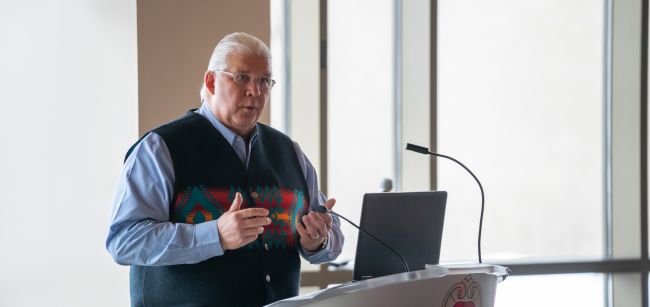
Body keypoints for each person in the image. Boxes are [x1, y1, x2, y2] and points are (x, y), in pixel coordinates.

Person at [106, 32, 343, 307]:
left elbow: (330, 236)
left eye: (264, 81)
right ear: (211, 81)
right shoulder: (160, 149)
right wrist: (215, 236)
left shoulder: (290, 152)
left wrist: (318, 241)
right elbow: (125, 240)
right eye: (241, 77)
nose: (255, 91)